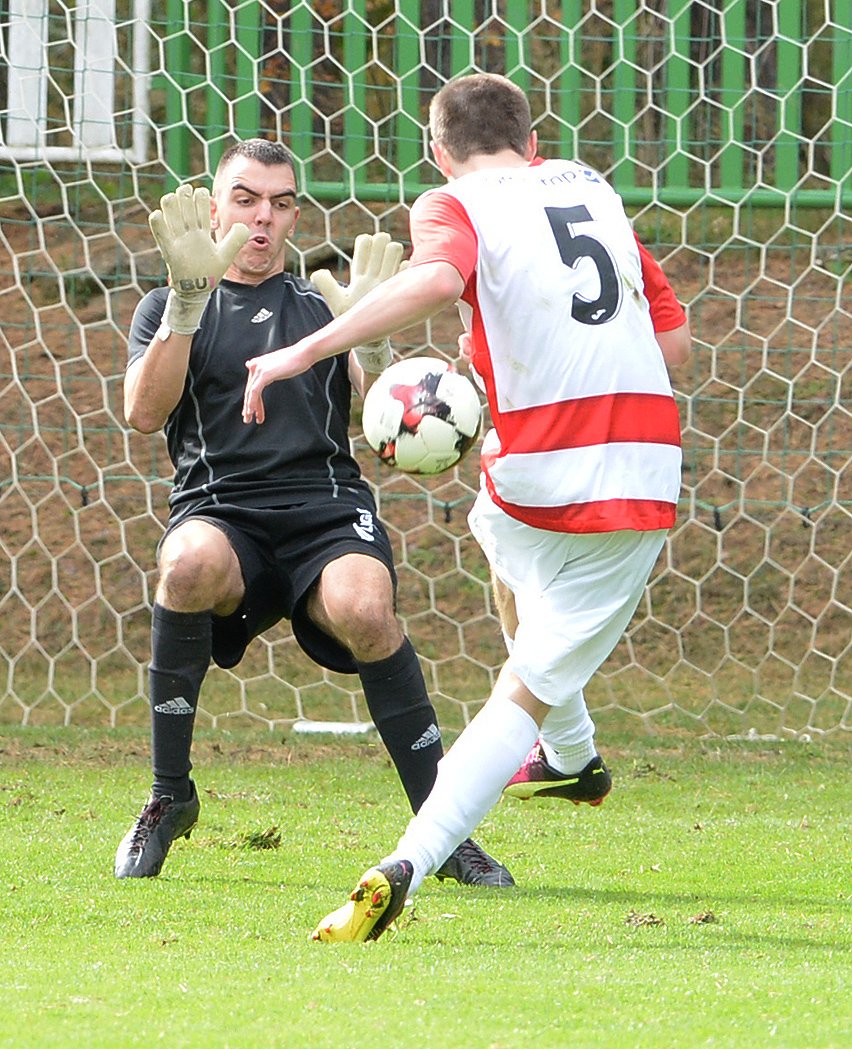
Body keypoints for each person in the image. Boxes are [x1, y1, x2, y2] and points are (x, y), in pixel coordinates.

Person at [241, 75, 692, 942]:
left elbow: (439, 280)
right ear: (533, 141)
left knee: (522, 671)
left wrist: (304, 350)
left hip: (548, 472)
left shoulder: (453, 200)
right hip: (631, 464)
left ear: (439, 151)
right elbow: (673, 346)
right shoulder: (592, 190)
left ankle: (413, 852)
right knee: (500, 533)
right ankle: (568, 758)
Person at [114, 137, 514, 889]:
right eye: (246, 199)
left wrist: (368, 331)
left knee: (366, 605)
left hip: (326, 512)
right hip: (221, 508)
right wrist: (188, 306)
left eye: (281, 202)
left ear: (295, 212)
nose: (264, 218)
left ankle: (444, 829)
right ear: (212, 206)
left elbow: (381, 419)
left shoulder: (316, 305)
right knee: (184, 562)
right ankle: (170, 795)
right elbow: (142, 412)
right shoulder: (168, 304)